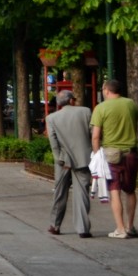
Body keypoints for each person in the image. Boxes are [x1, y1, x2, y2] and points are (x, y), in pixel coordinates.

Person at [90, 79, 138, 238]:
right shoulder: (131, 104)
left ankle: (119, 228)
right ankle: (130, 226)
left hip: (111, 155)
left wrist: (96, 154)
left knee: (114, 191)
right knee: (130, 191)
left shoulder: (100, 108)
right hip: (131, 153)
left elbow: (96, 136)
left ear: (106, 90)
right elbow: (134, 123)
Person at [45, 89, 93, 237]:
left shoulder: (51, 118)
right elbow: (93, 133)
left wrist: (58, 157)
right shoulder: (86, 112)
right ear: (71, 100)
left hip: (63, 160)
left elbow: (53, 142)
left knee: (60, 193)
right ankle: (83, 229)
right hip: (83, 158)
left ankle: (55, 225)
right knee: (82, 193)